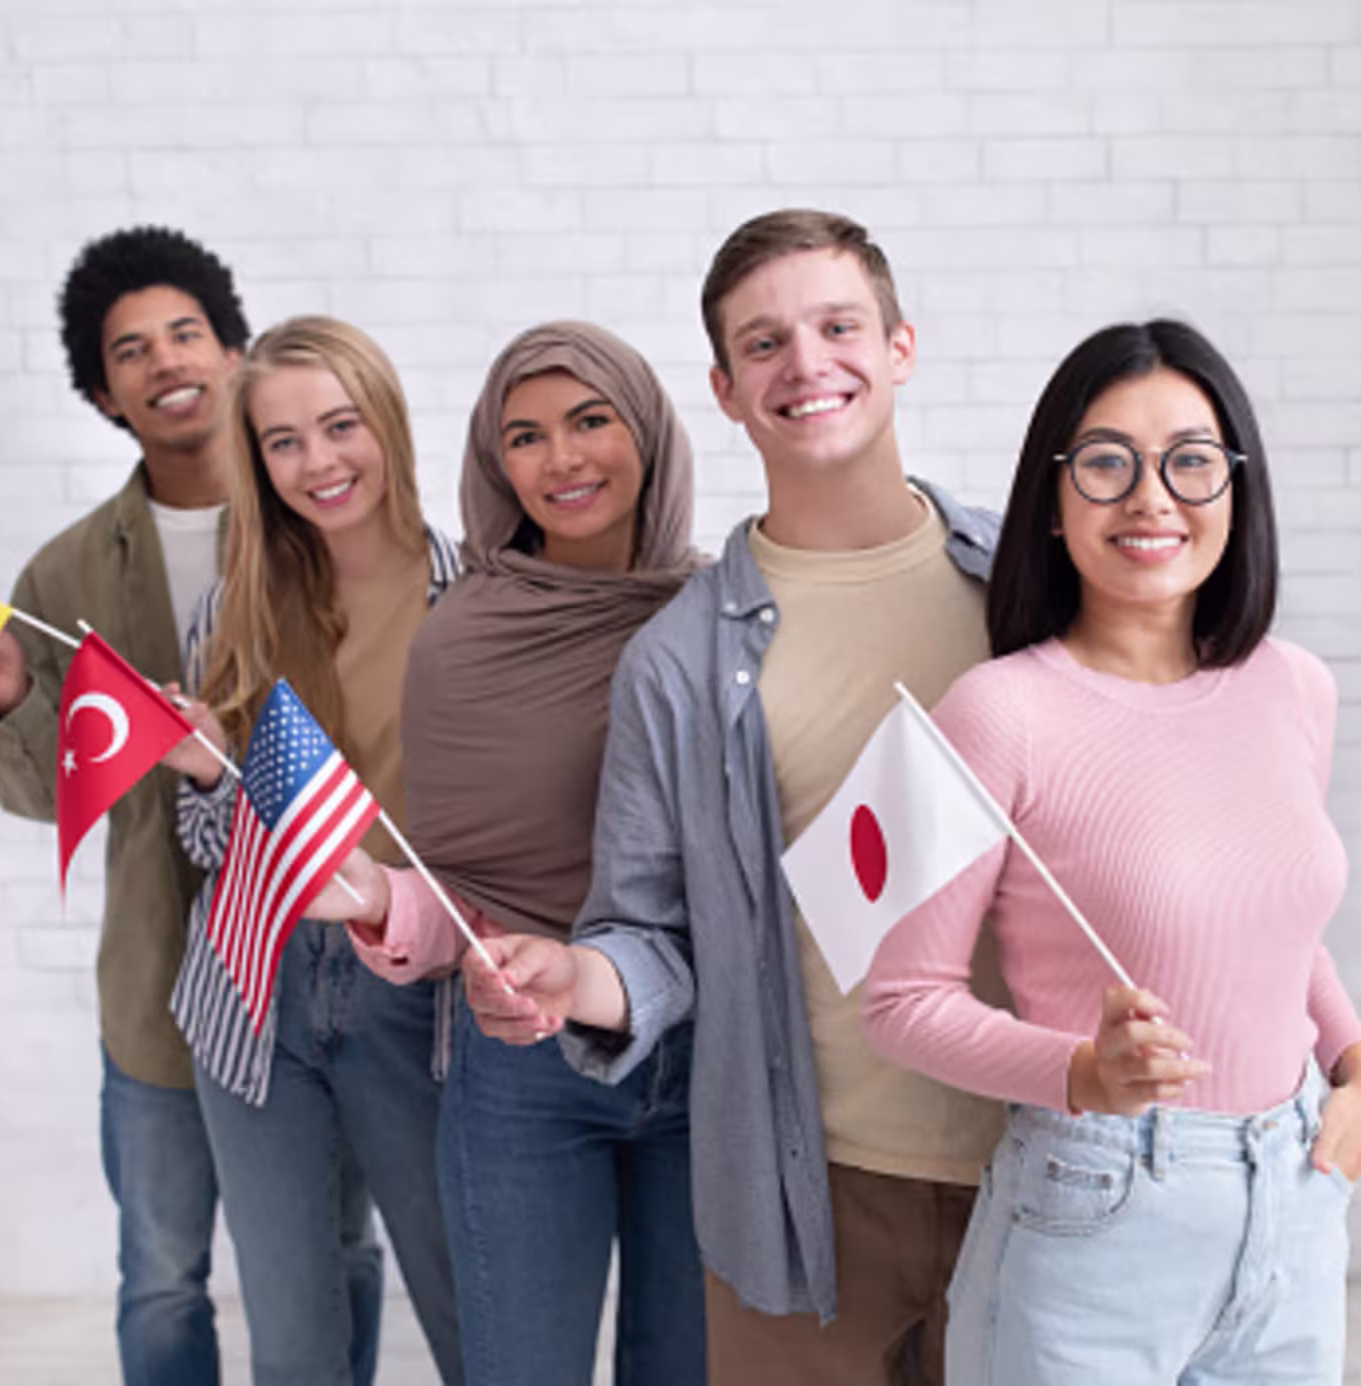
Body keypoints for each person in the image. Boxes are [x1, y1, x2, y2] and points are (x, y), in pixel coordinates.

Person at [463, 211, 1007, 1384]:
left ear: (902, 346)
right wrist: (582, 979)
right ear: (723, 387)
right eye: (764, 344)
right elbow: (647, 928)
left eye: (837, 325)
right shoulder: (680, 660)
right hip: (809, 1197)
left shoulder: (1025, 585)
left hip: (1045, 1173)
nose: (805, 364)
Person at [860, 319, 1361, 1385]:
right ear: (1053, 501)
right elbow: (900, 999)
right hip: (1095, 1218)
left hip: (1294, 1199)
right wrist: (1080, 1073)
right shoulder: (995, 712)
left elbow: (1278, 926)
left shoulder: (1294, 688)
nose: (1153, 498)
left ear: (1237, 487)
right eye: (1107, 464)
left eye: (1191, 461)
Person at [308, 321, 707, 1386]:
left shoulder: (726, 618)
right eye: (524, 437)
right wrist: (380, 897)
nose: (562, 460)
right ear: (495, 463)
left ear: (650, 429)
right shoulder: (463, 639)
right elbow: (460, 890)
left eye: (590, 420)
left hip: (711, 1059)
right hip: (523, 1056)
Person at [163, 316, 464, 1386]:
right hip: (255, 994)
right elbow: (215, 847)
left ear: (386, 420)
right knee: (294, 1347)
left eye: (340, 425)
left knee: (475, 1317)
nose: (318, 462)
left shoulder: (476, 596)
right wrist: (206, 772)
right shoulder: (236, 607)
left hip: (419, 989)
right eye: (282, 442)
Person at [0, 226, 253, 1384]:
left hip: (324, 972)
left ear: (234, 349)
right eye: (130, 350)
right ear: (105, 394)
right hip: (156, 994)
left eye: (185, 332)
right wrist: (3, 703)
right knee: (160, 1276)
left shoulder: (331, 520)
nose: (165, 361)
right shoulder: (68, 572)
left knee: (338, 1254)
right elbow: (42, 797)